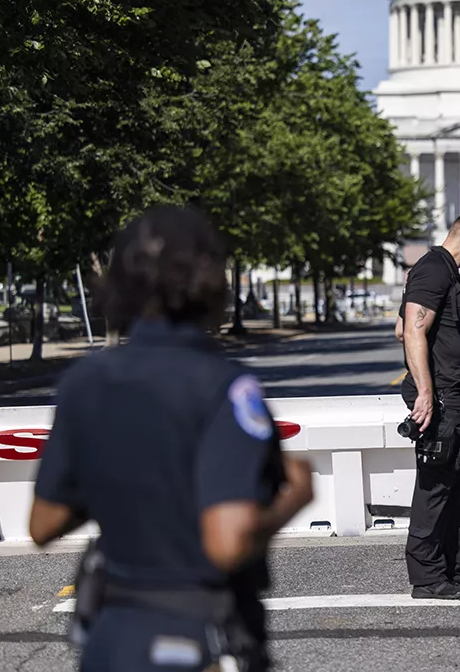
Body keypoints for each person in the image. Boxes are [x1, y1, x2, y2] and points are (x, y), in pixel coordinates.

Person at [28, 204, 314, 672]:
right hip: (198, 635)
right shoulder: (224, 385)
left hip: (111, 639)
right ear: (210, 279)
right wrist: (296, 497)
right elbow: (227, 540)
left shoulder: (84, 381)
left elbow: (44, 523)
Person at [398, 211, 460, 599]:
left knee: (458, 490)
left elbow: (403, 326)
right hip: (438, 397)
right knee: (435, 489)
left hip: (454, 396)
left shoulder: (445, 273)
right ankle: (426, 578)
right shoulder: (433, 269)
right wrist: (426, 392)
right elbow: (412, 330)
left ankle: (457, 568)